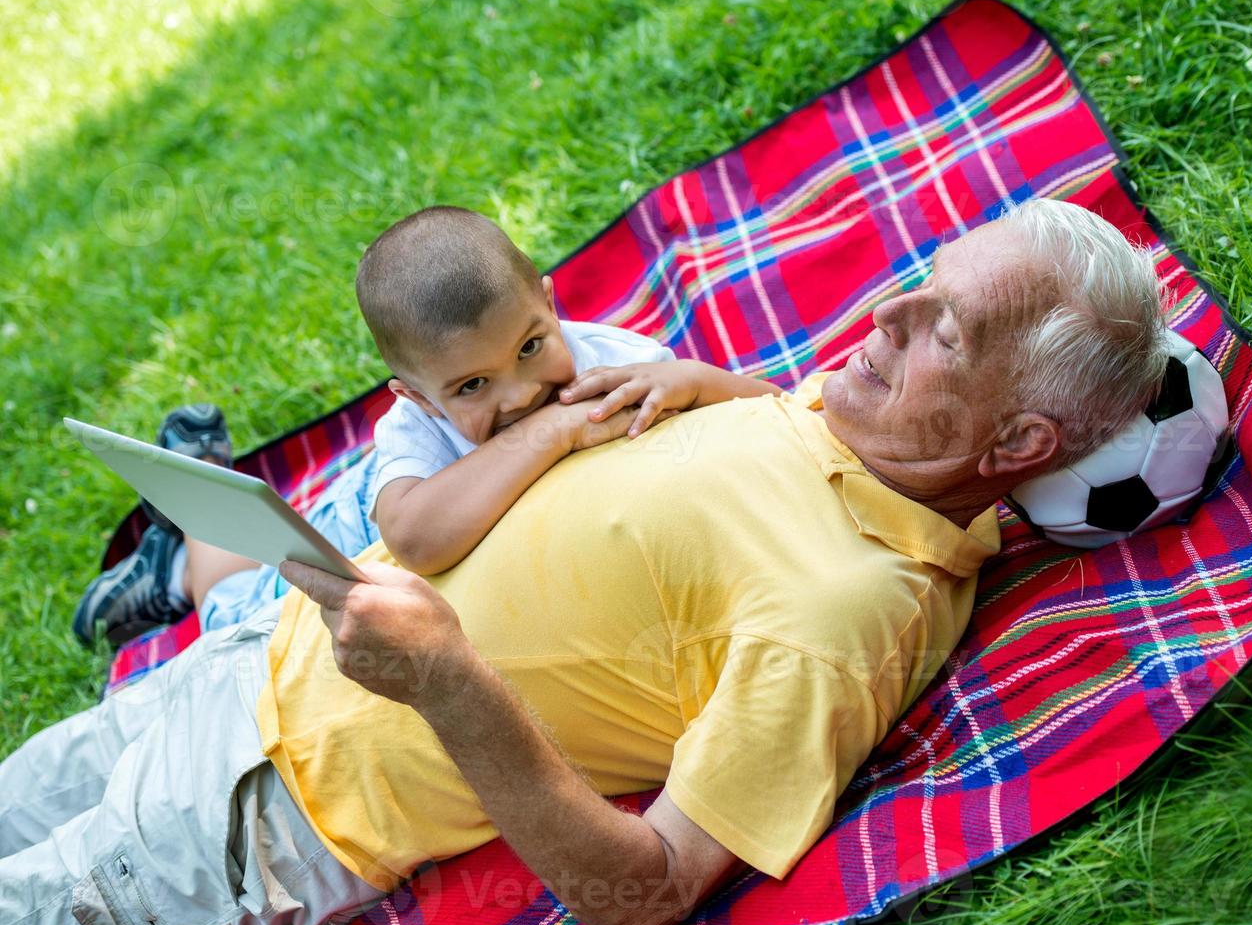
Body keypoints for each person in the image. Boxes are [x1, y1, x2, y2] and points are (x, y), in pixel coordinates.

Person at [1, 197, 1169, 925]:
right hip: (252, 657)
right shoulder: (841, 412)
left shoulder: (848, 609)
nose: (880, 313)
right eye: (913, 281)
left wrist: (445, 675)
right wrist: (723, 386)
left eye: (940, 332)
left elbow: (649, 888)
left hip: (268, 813)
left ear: (1015, 449)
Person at [71, 206, 780, 646]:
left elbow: (770, 411)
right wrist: (553, 435)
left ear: (549, 302)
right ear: (416, 396)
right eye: (473, 386)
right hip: (354, 536)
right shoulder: (412, 433)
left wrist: (691, 380)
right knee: (229, 609)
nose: (522, 394)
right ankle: (196, 525)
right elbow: (415, 540)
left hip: (405, 497)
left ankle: (195, 520)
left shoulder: (609, 362)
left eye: (531, 346)